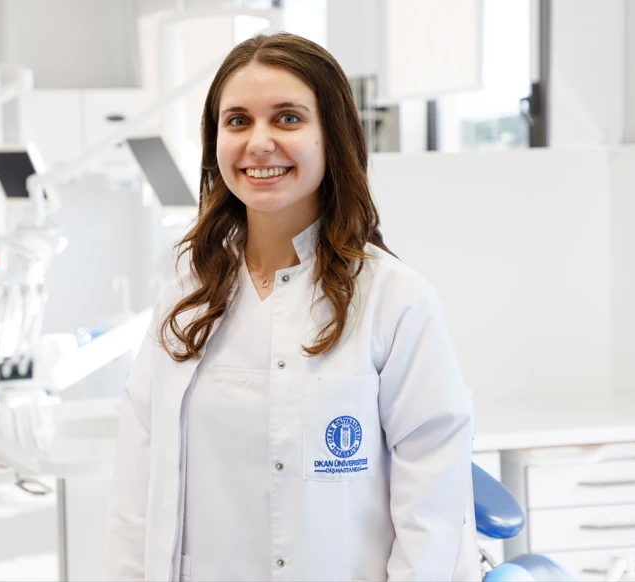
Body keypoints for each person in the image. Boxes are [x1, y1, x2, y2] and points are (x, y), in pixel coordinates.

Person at [103, 32, 479, 581]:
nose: (259, 143)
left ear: (332, 136)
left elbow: (433, 506)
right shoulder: (185, 299)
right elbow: (136, 489)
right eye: (237, 121)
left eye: (287, 118)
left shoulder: (394, 300)